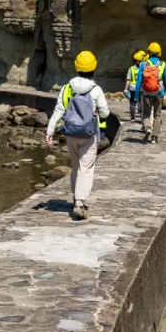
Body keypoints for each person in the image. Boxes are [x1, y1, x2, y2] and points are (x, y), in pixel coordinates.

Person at [45, 51, 110, 220]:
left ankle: (76, 198)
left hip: (71, 133)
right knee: (86, 168)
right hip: (89, 134)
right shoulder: (96, 90)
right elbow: (105, 113)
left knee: (75, 167)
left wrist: (49, 131)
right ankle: (80, 204)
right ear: (93, 68)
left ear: (77, 68)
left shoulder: (67, 88)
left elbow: (58, 110)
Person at [135, 41, 166, 144]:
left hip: (146, 93)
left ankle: (147, 128)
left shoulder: (143, 64)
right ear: (159, 53)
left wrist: (136, 96)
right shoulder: (163, 65)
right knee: (157, 116)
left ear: (149, 52)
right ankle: (154, 137)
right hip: (158, 94)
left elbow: (139, 81)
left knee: (146, 113)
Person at [124, 50, 147, 122]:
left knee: (132, 103)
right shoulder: (143, 68)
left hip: (133, 88)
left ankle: (133, 117)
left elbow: (128, 79)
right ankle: (142, 116)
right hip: (140, 88)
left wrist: (126, 89)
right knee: (141, 102)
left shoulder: (131, 69)